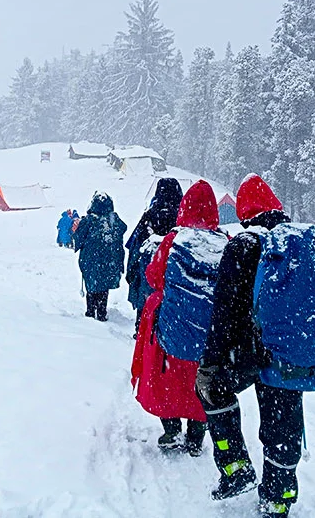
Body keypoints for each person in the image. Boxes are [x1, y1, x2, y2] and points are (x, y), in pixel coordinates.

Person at [195, 174, 300, 516]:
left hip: (247, 352)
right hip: (287, 352)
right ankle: (278, 496)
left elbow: (223, 313)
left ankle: (235, 466)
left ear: (244, 211)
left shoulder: (243, 245)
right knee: (282, 422)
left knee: (211, 391)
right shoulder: (295, 244)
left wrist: (211, 363)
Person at [131, 180, 227, 456]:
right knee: (201, 383)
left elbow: (153, 276)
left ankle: (171, 429)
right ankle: (196, 437)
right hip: (211, 332)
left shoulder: (174, 240)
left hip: (174, 326)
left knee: (169, 381)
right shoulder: (225, 244)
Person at [125, 178, 183, 331]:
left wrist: (131, 273)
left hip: (149, 274)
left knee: (146, 309)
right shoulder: (183, 218)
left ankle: (142, 333)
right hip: (175, 276)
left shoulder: (150, 215)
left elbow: (134, 246)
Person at [74, 191, 126, 322]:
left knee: (92, 286)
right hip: (109, 262)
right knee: (103, 287)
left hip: (91, 261)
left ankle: (91, 312)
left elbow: (78, 239)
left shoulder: (89, 220)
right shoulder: (114, 220)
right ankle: (102, 312)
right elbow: (122, 230)